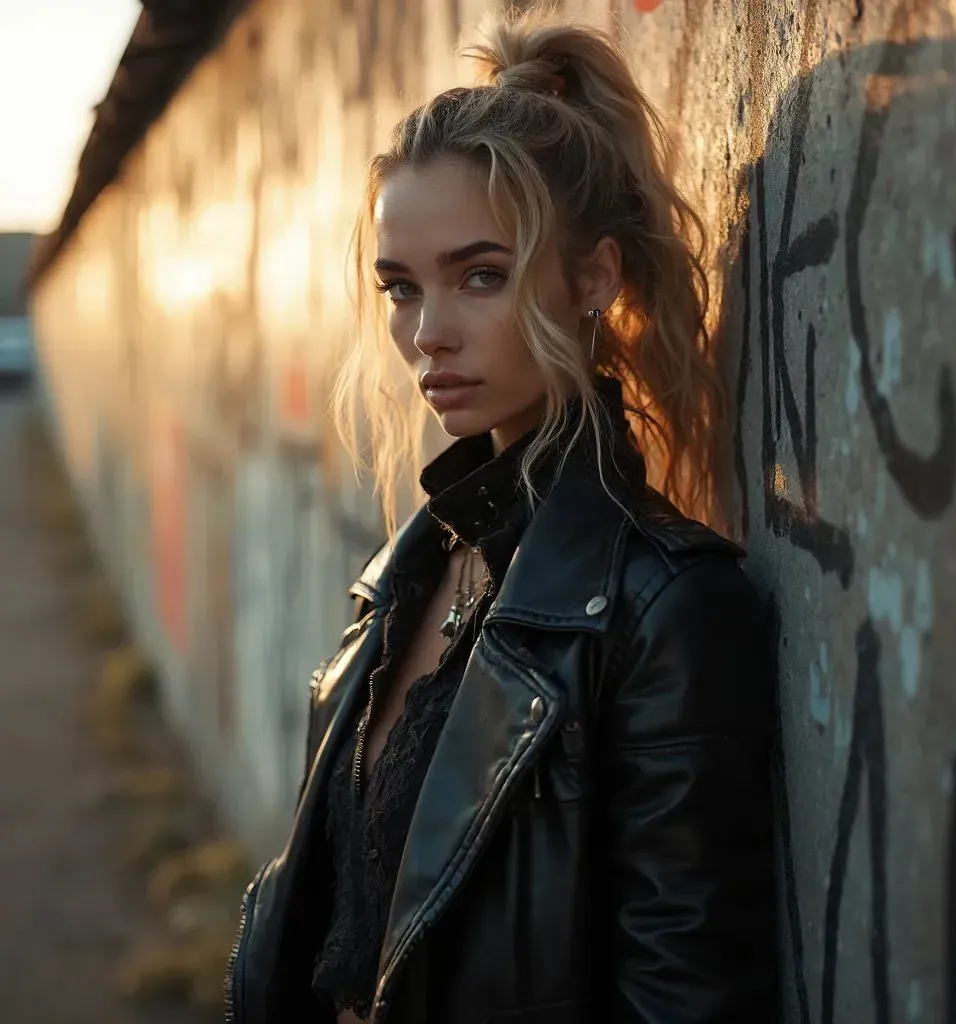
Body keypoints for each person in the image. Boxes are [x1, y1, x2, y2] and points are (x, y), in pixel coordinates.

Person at [225, 8, 777, 1023]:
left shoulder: (667, 611)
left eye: (481, 276)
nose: (427, 334)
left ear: (592, 279)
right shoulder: (409, 568)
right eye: (401, 287)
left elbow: (684, 1000)